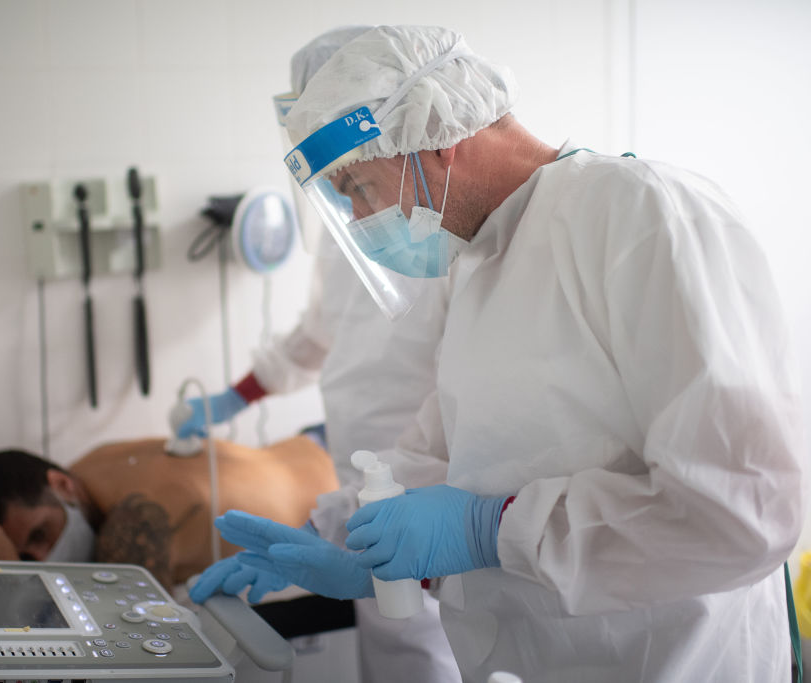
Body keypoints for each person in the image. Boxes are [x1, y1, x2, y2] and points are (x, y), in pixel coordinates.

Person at [189, 24, 807, 682]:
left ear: (438, 139)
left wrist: (492, 527)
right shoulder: (477, 260)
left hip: (674, 662)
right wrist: (335, 534)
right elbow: (439, 449)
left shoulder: (642, 215)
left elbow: (744, 509)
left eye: (362, 188)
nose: (364, 222)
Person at [174, 26, 461, 683]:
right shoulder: (350, 220)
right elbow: (318, 333)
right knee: (395, 654)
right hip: (365, 482)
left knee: (430, 654)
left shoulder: (444, 230)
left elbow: (471, 394)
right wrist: (234, 398)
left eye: (352, 174)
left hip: (436, 494)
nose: (346, 194)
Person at [0, 434, 337, 588]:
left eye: (40, 534)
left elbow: (128, 660)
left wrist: (12, 577)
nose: (41, 559)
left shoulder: (132, 525)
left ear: (61, 487)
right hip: (311, 444)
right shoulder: (87, 465)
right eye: (27, 557)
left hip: (342, 510)